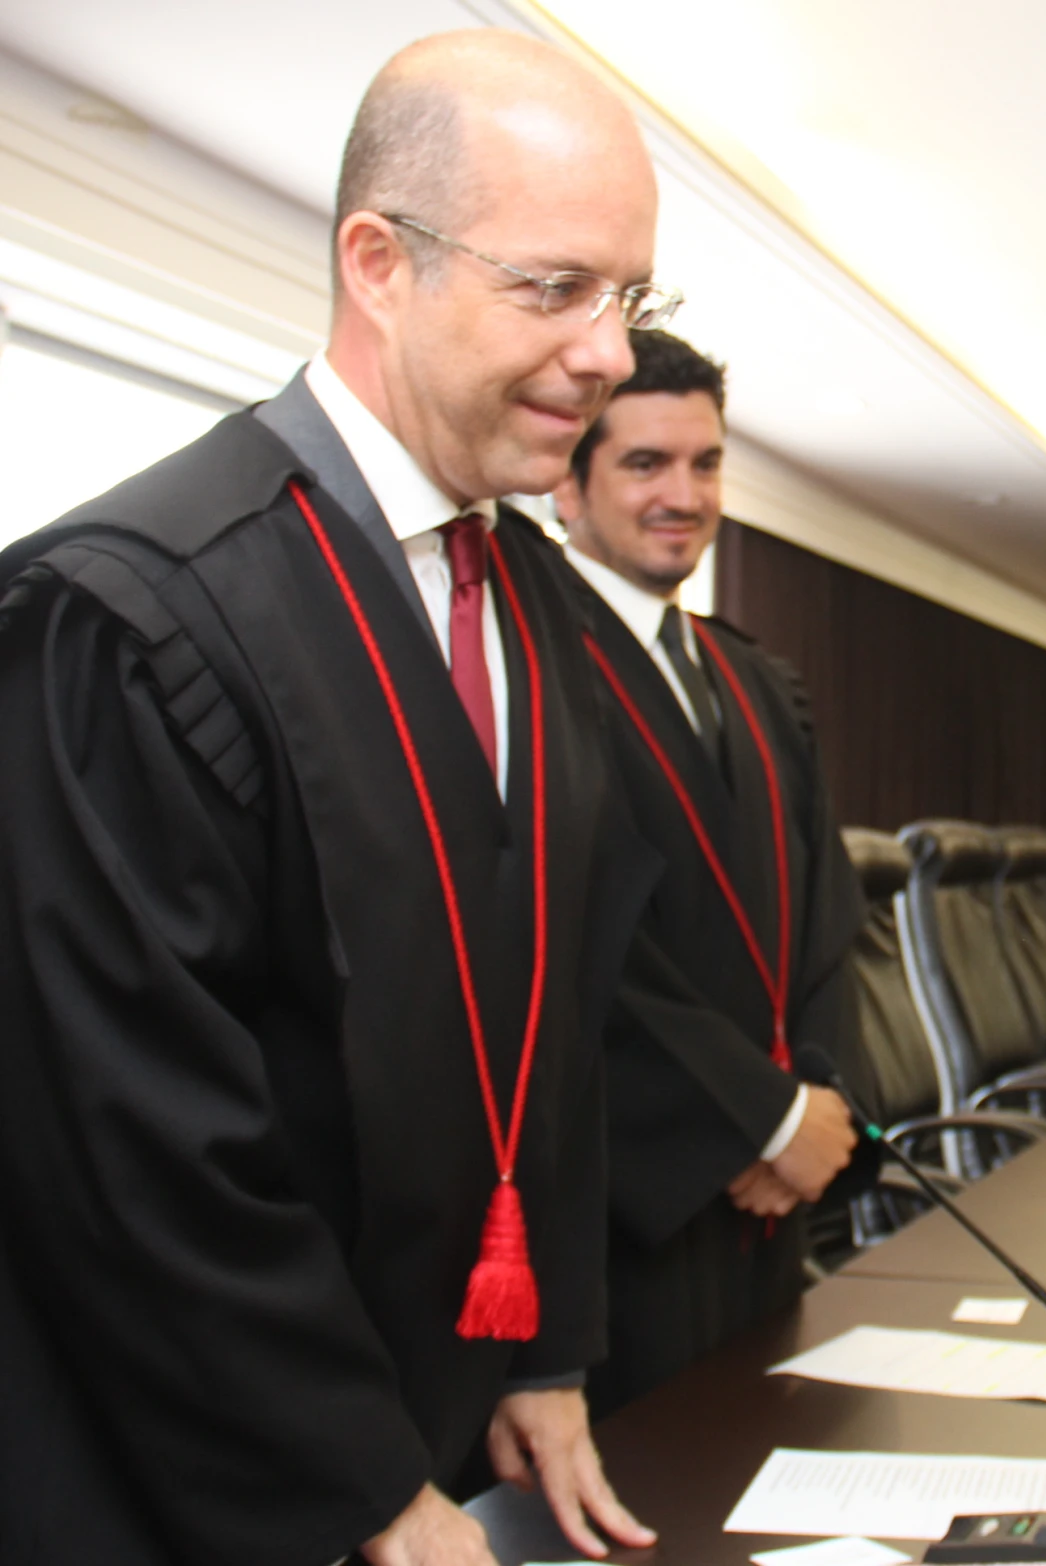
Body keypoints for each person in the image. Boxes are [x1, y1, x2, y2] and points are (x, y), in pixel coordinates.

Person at [0, 31, 678, 1566]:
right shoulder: (132, 614)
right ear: (379, 263)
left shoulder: (535, 608)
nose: (610, 352)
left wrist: (545, 1347)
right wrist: (357, 1483)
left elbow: (546, 1011)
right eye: (554, 287)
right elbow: (131, 1140)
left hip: (434, 1430)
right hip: (209, 1476)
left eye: (629, 297)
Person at [551, 329, 868, 1412]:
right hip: (634, 1204)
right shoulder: (536, 667)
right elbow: (580, 948)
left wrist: (820, 1102)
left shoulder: (752, 677)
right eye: (643, 464)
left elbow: (829, 916)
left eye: (706, 462)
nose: (682, 493)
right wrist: (763, 1121)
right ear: (566, 482)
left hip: (775, 1197)